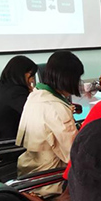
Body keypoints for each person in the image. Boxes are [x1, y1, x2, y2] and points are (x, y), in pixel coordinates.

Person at [15, 50, 83, 178]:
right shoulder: (56, 107)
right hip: (52, 176)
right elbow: (75, 154)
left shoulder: (35, 95)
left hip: (30, 169)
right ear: (69, 79)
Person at [0, 55, 37, 139]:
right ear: (21, 74)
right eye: (31, 75)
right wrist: (34, 95)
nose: (32, 80)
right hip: (8, 143)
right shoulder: (16, 92)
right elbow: (35, 115)